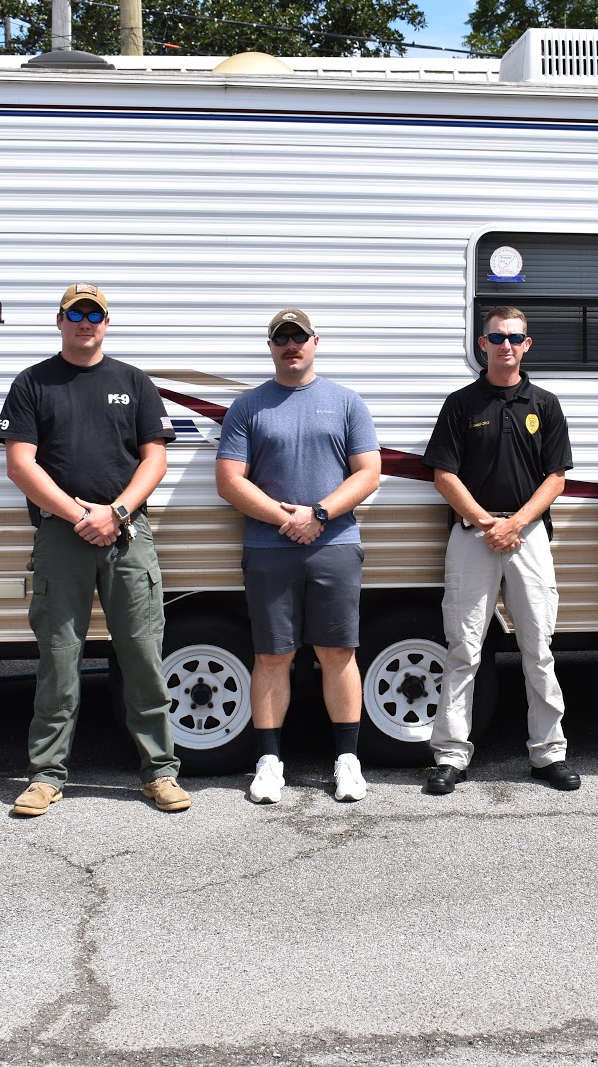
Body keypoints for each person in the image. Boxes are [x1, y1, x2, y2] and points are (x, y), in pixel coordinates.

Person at [0, 283, 190, 817]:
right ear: (59, 321)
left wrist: (116, 512)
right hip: (62, 536)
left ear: (107, 322)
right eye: (76, 313)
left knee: (143, 655)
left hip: (127, 532)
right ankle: (46, 775)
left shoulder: (134, 381)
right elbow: (20, 464)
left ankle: (160, 771)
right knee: (60, 658)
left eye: (94, 314)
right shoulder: (33, 383)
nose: (86, 322)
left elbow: (155, 459)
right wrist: (79, 516)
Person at [215, 309, 382, 803]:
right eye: (281, 338)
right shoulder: (248, 407)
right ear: (270, 347)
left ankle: (347, 761)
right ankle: (269, 763)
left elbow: (368, 473)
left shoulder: (346, 402)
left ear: (315, 342)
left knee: (339, 653)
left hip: (336, 546)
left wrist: (319, 514)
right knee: (272, 655)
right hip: (269, 548)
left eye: (299, 337)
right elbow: (229, 480)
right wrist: (286, 519)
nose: (291, 345)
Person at [420, 306, 579, 794]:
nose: (505, 345)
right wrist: (489, 522)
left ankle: (548, 754)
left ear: (527, 344)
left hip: (528, 537)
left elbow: (556, 478)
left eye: (514, 337)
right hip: (474, 535)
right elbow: (444, 476)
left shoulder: (545, 404)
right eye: (496, 337)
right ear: (482, 344)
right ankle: (450, 756)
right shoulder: (461, 404)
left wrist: (515, 523)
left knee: (538, 650)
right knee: (464, 650)